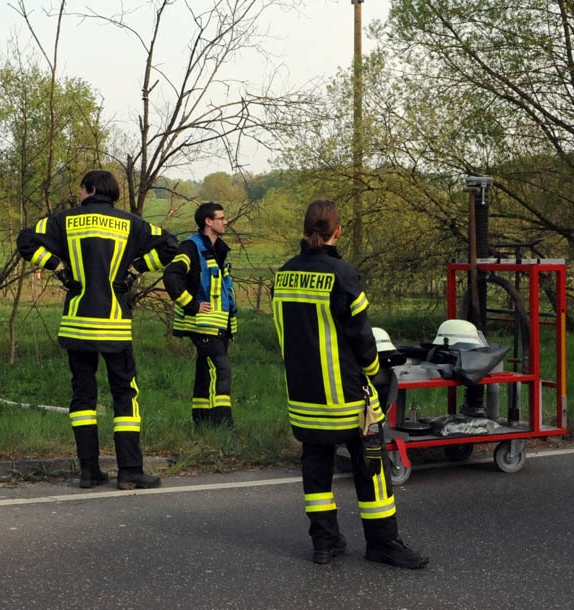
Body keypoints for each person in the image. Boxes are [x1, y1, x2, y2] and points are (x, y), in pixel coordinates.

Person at [271, 200, 427, 569]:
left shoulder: (283, 274)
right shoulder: (341, 274)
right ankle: (383, 542)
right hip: (347, 396)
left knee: (316, 464)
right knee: (371, 464)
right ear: (337, 231)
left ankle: (324, 543)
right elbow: (362, 336)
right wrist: (374, 372)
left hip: (304, 396)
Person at [16, 170, 178, 489]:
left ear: (89, 189)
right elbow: (171, 245)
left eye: (80, 188)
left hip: (77, 324)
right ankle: (130, 470)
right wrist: (134, 271)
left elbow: (26, 241)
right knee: (125, 396)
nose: (78, 194)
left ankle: (89, 471)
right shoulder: (132, 223)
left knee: (83, 397)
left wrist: (59, 269)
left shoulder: (64, 220)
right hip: (114, 325)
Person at [162, 202, 238, 426]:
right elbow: (172, 276)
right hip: (203, 323)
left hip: (219, 324)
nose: (225, 222)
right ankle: (223, 425)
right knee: (221, 369)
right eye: (221, 218)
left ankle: (202, 423)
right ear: (208, 221)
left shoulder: (218, 249)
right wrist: (192, 305)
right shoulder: (191, 247)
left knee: (206, 371)